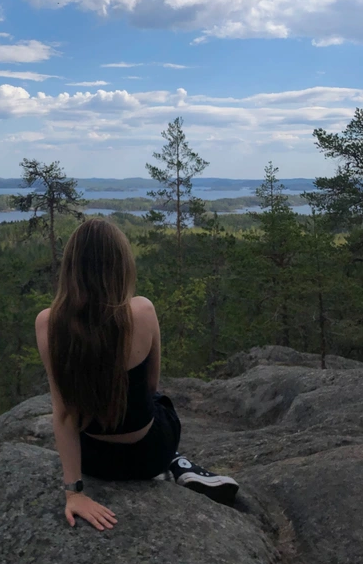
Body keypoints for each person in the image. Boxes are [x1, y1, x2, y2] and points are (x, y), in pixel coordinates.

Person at [35, 217, 239, 531]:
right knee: (161, 403)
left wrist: (73, 493)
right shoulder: (142, 311)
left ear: (71, 267)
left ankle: (174, 464)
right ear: (121, 265)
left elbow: (64, 415)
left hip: (95, 462)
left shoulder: (48, 324)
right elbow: (151, 387)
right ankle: (175, 463)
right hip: (150, 454)